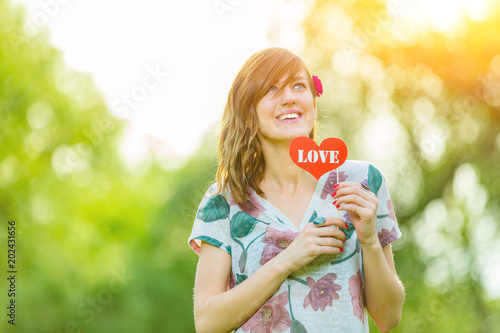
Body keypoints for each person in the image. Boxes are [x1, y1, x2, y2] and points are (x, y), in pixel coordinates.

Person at [188, 47, 404, 333]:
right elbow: (207, 322)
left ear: (313, 103)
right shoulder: (224, 201)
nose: (289, 97)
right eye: (272, 89)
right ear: (248, 111)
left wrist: (369, 241)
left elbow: (388, 318)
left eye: (298, 86)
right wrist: (289, 258)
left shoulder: (362, 181)